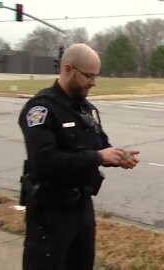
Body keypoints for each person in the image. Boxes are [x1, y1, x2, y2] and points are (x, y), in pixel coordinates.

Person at [18, 43, 139, 270]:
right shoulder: (41, 110)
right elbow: (45, 161)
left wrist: (118, 156)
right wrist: (98, 158)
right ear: (68, 69)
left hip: (81, 208)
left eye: (96, 76)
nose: (93, 82)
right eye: (89, 76)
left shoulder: (85, 109)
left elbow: (99, 146)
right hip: (50, 211)